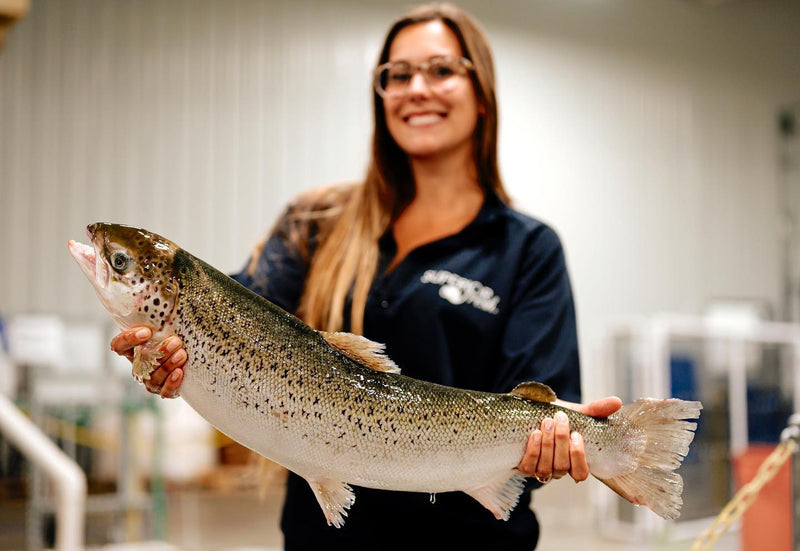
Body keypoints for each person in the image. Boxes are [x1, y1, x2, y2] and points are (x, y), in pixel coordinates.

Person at [111, 3, 621, 550]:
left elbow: (544, 397)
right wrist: (166, 351)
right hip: (326, 538)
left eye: (441, 69)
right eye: (397, 75)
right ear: (381, 98)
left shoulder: (527, 247)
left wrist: (571, 433)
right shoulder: (315, 223)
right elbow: (231, 319)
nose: (416, 88)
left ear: (482, 92)